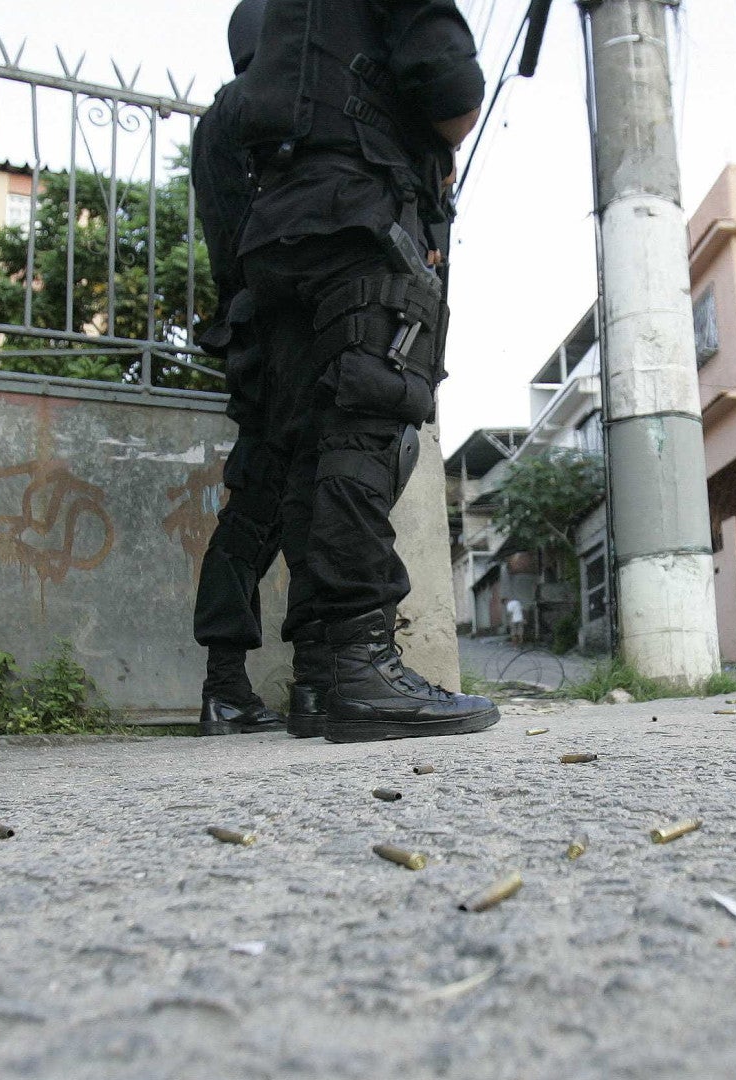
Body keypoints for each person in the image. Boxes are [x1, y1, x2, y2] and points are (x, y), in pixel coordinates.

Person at [236, 0, 498, 742]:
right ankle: (363, 668)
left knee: (304, 447)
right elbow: (448, 89)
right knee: (365, 426)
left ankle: (319, 676)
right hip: (355, 213)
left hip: (278, 230)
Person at [190, 0, 287, 736]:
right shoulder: (268, 100)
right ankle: (319, 671)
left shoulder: (220, 117)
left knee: (261, 500)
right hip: (286, 321)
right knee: (309, 492)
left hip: (254, 327)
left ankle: (227, 682)